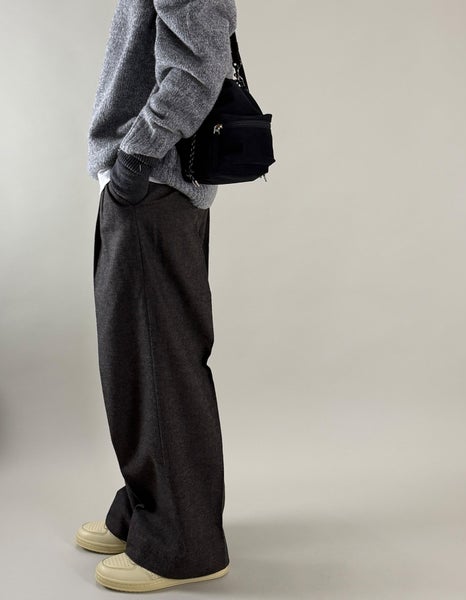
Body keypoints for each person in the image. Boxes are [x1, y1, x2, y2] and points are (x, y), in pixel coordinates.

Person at [74, 0, 238, 593]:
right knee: (140, 364)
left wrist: (136, 156)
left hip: (153, 184)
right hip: (152, 185)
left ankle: (183, 544)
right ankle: (154, 508)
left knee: (157, 363)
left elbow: (200, 62)